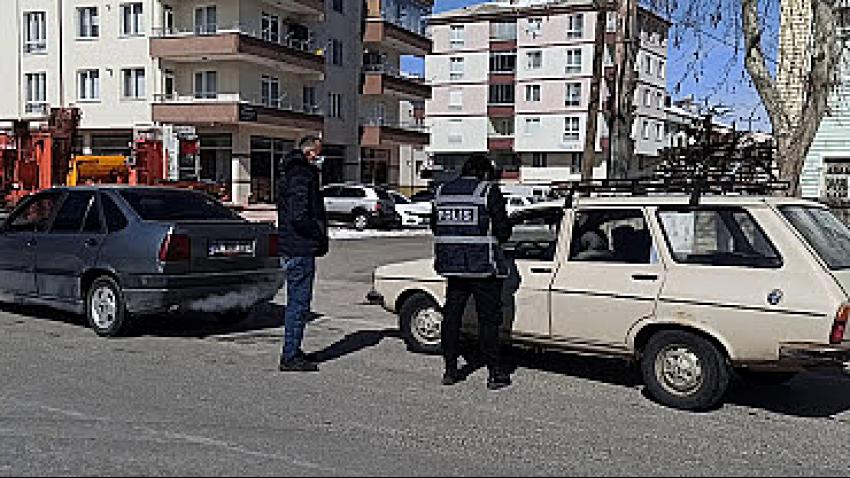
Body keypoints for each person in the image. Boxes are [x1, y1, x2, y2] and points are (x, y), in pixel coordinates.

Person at [432, 153, 514, 390]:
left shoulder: (442, 192)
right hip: (482, 267)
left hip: (452, 267)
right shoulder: (487, 191)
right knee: (488, 320)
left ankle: (450, 370)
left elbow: (435, 226)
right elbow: (503, 231)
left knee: (452, 317)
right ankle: (495, 373)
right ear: (484, 172)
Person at [277, 135, 328, 372]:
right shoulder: (301, 176)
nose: (319, 158)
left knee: (297, 302)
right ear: (309, 153)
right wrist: (317, 233)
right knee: (299, 303)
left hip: (293, 245)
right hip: (299, 247)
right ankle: (290, 355)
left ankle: (293, 349)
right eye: (318, 153)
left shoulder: (290, 173)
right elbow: (300, 215)